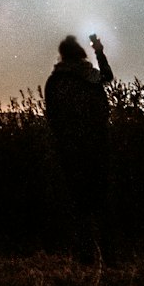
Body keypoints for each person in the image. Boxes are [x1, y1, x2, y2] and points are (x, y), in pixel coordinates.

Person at [44, 32, 114, 256]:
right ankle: (106, 250)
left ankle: (84, 251)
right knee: (100, 198)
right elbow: (107, 76)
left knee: (77, 200)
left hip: (69, 145)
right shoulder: (90, 76)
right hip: (96, 142)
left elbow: (52, 115)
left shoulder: (55, 80)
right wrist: (99, 51)